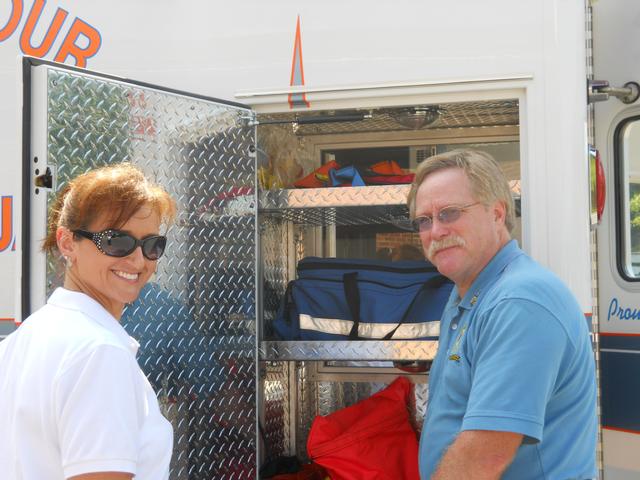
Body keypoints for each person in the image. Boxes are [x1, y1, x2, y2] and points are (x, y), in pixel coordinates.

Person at [407, 150, 597, 479]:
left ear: (497, 213)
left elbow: (485, 456)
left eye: (449, 213)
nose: (435, 231)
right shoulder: (469, 292)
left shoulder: (519, 301)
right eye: (424, 220)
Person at [0, 163, 177, 480]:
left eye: (152, 245)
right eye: (116, 241)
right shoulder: (100, 353)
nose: (138, 260)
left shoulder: (21, 341)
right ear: (67, 243)